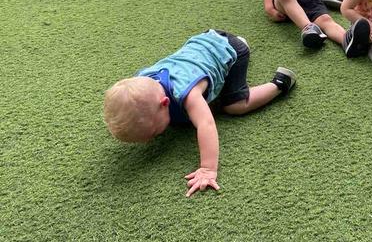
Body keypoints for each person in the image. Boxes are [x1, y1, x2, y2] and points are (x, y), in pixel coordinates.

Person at [103, 29, 296, 197]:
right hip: (203, 40)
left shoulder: (186, 93)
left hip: (230, 51)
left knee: (234, 106)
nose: (150, 140)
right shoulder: (144, 79)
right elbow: (130, 101)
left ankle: (280, 83)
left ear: (165, 103)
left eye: (153, 133)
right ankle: (232, 40)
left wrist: (207, 168)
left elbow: (206, 124)